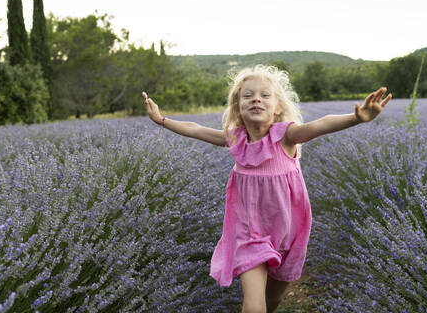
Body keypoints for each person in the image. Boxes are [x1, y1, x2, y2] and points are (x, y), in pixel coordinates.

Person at [143, 64, 392, 313]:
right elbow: (196, 129)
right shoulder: (235, 139)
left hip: (287, 231)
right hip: (248, 232)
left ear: (278, 107)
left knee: (272, 300)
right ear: (238, 107)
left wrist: (356, 118)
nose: (256, 100)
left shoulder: (286, 136)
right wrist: (161, 119)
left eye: (265, 95)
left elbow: (320, 124)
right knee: (253, 302)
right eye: (248, 96)